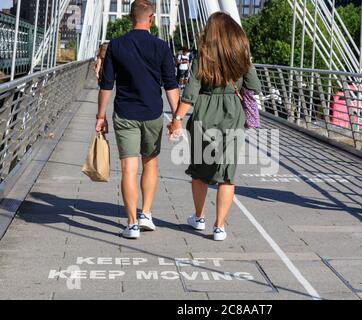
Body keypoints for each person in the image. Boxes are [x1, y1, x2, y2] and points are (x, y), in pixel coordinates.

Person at [167, 12, 261, 241]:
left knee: (200, 171)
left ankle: (199, 218)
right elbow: (254, 86)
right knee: (227, 173)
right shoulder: (241, 55)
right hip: (233, 114)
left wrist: (177, 120)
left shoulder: (204, 55)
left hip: (205, 112)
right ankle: (219, 227)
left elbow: (190, 93)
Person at [96, 0, 179, 238]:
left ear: (131, 18)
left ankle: (132, 224)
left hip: (124, 113)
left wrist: (101, 116)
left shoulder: (116, 45)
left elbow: (106, 85)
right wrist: (176, 118)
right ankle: (147, 214)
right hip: (153, 113)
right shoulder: (162, 47)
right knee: (150, 164)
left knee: (128, 169)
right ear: (151, 18)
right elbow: (171, 85)